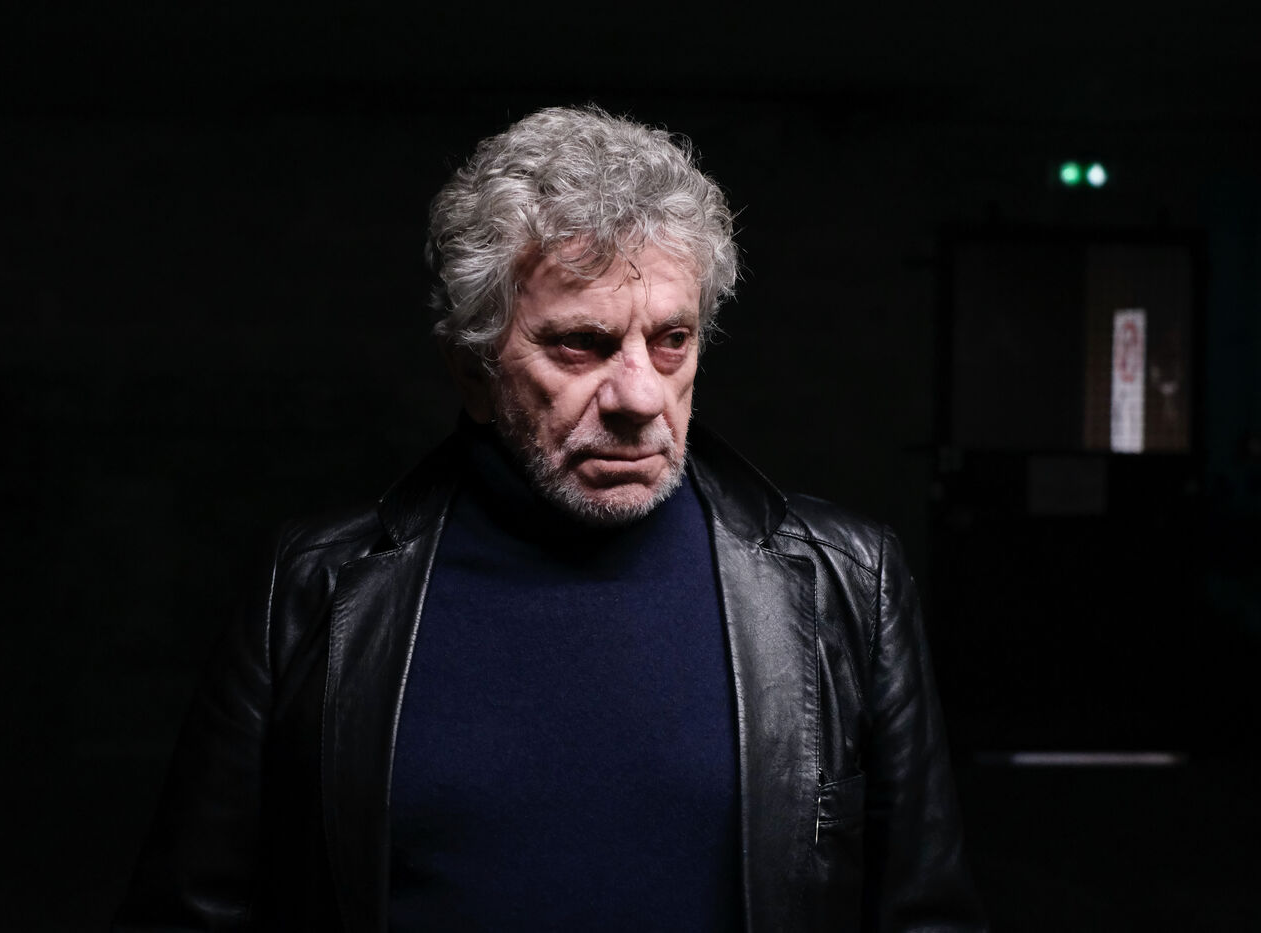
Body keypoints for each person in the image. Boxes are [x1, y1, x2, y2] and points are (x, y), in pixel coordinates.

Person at [116, 105, 984, 932]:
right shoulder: (312, 590)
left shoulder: (845, 585)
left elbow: (925, 914)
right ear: (473, 370)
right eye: (581, 343)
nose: (639, 395)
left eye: (671, 340)